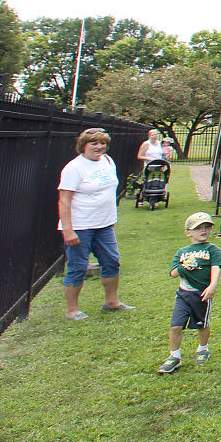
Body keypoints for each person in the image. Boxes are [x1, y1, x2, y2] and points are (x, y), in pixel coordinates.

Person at [57, 127, 134, 320]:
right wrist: (68, 230)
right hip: (80, 226)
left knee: (112, 261)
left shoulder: (108, 161)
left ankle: (112, 302)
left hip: (104, 224)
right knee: (78, 267)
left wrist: (110, 219)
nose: (99, 147)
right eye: (94, 143)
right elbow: (64, 201)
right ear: (83, 146)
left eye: (103, 143)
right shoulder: (74, 168)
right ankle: (72, 310)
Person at [157, 211, 221, 373]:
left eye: (207, 227)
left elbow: (216, 267)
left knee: (202, 324)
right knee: (175, 326)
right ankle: (174, 356)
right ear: (188, 232)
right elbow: (173, 273)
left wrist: (212, 286)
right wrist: (184, 266)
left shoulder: (212, 249)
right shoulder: (183, 251)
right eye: (198, 228)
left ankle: (203, 348)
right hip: (183, 295)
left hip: (201, 295)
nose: (203, 231)